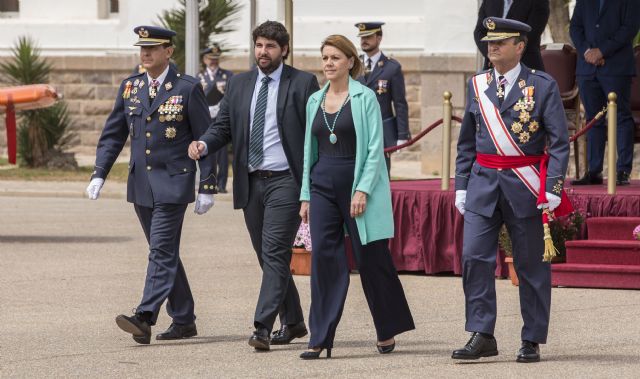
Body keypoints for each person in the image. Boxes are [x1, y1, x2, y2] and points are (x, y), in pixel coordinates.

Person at [188, 21, 320, 351]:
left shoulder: (303, 83)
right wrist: (204, 144)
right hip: (251, 183)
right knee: (267, 255)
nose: (263, 52)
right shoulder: (240, 84)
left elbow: (313, 135)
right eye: (259, 45)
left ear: (284, 50)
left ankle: (262, 325)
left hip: (286, 181)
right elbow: (224, 126)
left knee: (275, 251)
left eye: (271, 47)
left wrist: (311, 186)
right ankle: (293, 322)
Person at [86, 25, 217, 344]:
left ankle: (145, 316)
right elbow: (114, 133)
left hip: (174, 182)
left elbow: (207, 136)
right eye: (142, 48)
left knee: (160, 249)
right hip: (142, 183)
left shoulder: (187, 87)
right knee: (164, 251)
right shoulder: (131, 87)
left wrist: (207, 185)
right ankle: (184, 319)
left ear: (168, 51)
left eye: (153, 48)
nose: (145, 53)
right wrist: (99, 173)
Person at [453, 18, 569, 363]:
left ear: (520, 46)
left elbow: (559, 144)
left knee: (531, 264)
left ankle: (531, 337)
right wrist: (461, 185)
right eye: (489, 42)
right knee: (474, 258)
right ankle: (482, 333)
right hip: (482, 183)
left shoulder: (542, 86)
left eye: (500, 42)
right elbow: (465, 145)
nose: (492, 47)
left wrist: (553, 188)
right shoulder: (476, 85)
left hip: (525, 184)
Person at [298, 34, 415, 360]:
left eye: (335, 57)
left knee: (371, 260)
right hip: (322, 185)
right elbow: (310, 150)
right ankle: (320, 336)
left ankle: (387, 328)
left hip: (357, 186)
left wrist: (362, 189)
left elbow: (376, 150)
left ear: (350, 61)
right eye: (325, 58)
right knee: (323, 260)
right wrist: (306, 194)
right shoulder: (314, 101)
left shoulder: (365, 98)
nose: (329, 64)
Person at [570, 0, 640, 186]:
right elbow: (575, 27)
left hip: (616, 67)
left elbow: (629, 28)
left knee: (621, 118)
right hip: (587, 68)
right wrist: (587, 52)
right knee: (593, 119)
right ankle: (594, 171)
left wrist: (602, 51)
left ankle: (622, 171)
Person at [354, 22, 410, 174]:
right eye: (362, 37)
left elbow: (400, 103)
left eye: (368, 36)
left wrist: (402, 135)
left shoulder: (392, 67)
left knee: (381, 174)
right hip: (355, 129)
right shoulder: (352, 65)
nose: (364, 40)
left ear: (379, 38)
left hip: (382, 132)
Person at [474, 0, 550, 72]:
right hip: (492, 68)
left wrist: (502, 56)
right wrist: (493, 55)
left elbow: (531, 34)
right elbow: (479, 32)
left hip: (525, 68)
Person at [198, 43, 234, 193]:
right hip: (205, 117)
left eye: (215, 59)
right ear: (204, 60)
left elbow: (231, 94)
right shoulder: (199, 77)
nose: (213, 62)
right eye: (210, 59)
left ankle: (222, 184)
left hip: (221, 116)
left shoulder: (228, 75)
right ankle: (207, 182)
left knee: (222, 153)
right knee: (205, 148)